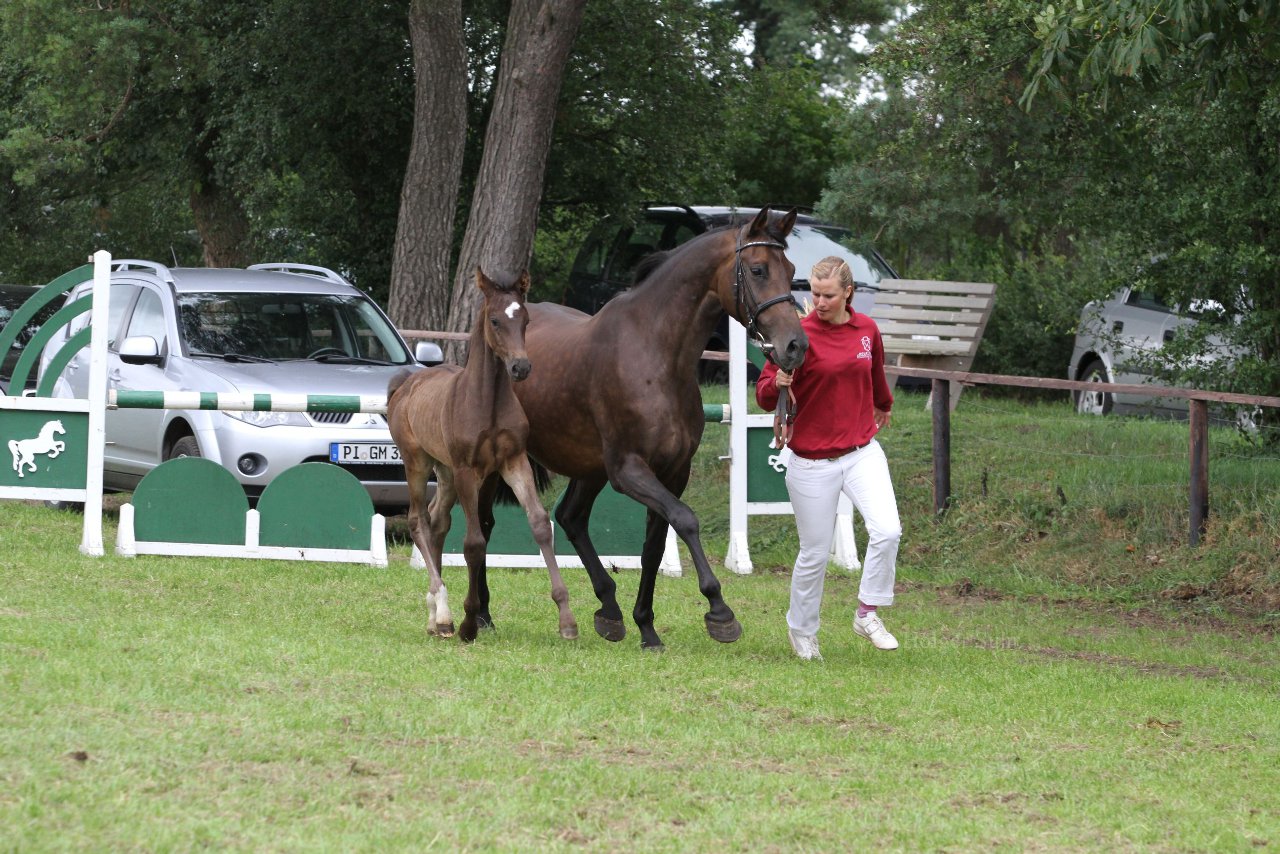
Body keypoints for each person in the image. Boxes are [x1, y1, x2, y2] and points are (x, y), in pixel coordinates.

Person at [756, 256, 903, 660]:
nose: (819, 302)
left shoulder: (866, 330)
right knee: (815, 553)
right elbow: (765, 393)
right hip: (811, 460)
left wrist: (884, 404)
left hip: (861, 451)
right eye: (815, 294)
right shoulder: (796, 333)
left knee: (888, 530)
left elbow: (875, 374)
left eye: (828, 295)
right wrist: (779, 382)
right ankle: (802, 631)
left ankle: (867, 611)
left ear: (848, 293)